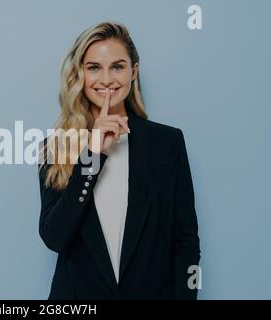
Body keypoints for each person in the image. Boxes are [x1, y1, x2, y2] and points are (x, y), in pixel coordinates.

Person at [37, 21, 201, 300]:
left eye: (117, 66)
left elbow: (185, 242)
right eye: (93, 68)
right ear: (79, 75)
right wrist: (92, 154)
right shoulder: (56, 147)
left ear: (133, 71)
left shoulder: (167, 144)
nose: (107, 80)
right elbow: (55, 238)